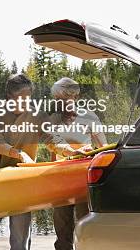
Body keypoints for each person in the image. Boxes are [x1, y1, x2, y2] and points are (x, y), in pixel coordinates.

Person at [0, 74, 84, 250]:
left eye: (29, 97)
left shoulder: (37, 115)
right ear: (10, 97)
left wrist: (71, 150)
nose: (27, 102)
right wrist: (19, 153)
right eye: (22, 98)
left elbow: (52, 139)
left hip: (24, 180)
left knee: (20, 236)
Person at [49, 77, 108, 250]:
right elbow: (54, 148)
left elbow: (103, 147)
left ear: (72, 97)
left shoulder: (89, 116)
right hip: (60, 179)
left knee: (85, 226)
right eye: (56, 99)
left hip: (84, 179)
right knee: (62, 229)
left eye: (60, 98)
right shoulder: (53, 119)